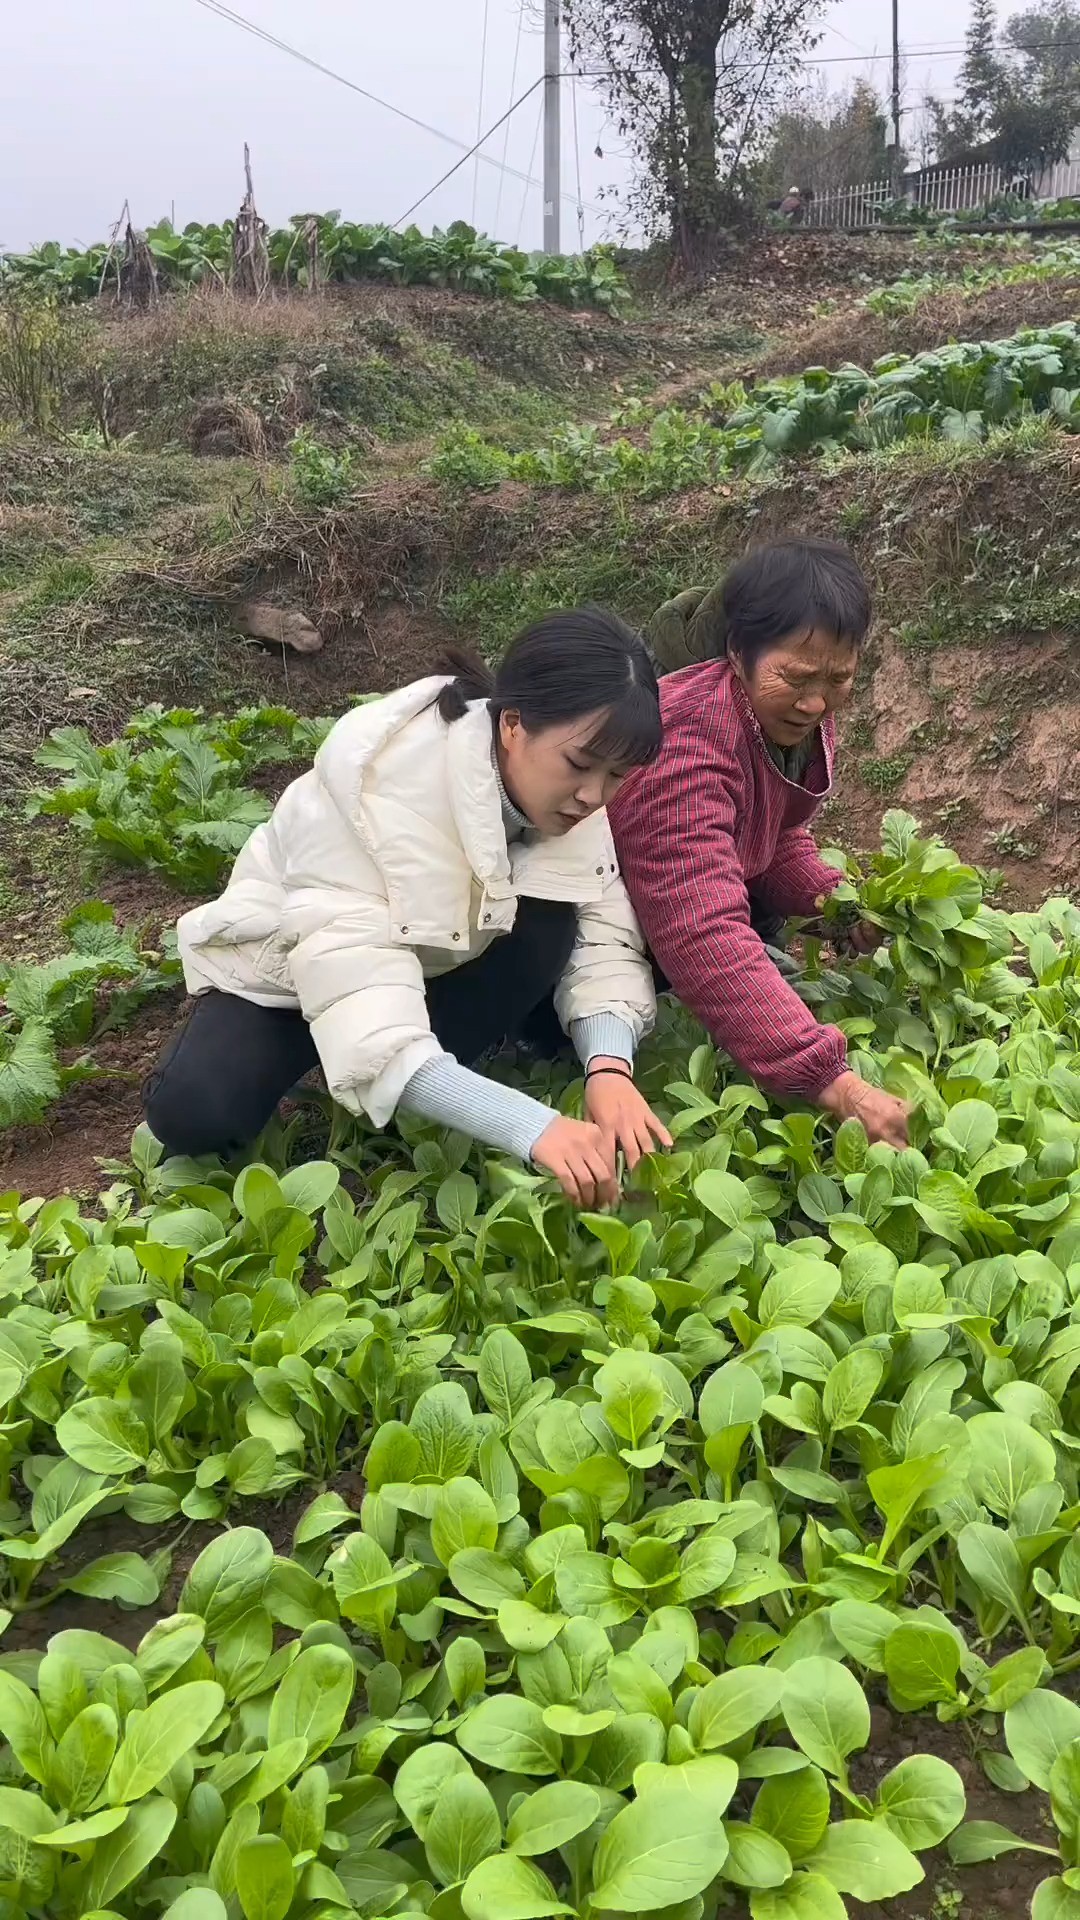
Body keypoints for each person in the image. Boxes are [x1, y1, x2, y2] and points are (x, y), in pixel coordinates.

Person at [144, 609, 673, 1208]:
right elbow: (362, 1000)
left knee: (552, 922)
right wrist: (530, 1125)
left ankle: (418, 1084)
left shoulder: (568, 797)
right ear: (514, 725)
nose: (592, 796)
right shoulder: (378, 796)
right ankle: (373, 1070)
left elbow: (601, 920)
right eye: (579, 766)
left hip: (428, 961)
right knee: (197, 1113)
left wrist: (609, 1064)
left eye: (616, 776)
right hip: (293, 969)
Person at [609, 538, 910, 1150]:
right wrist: (833, 1081)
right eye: (797, 678)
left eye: (839, 680)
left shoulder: (776, 715)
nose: (818, 703)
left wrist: (835, 902)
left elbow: (773, 834)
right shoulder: (687, 736)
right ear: (737, 651)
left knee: (760, 938)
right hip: (601, 923)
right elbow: (701, 923)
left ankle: (748, 1011)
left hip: (682, 897)